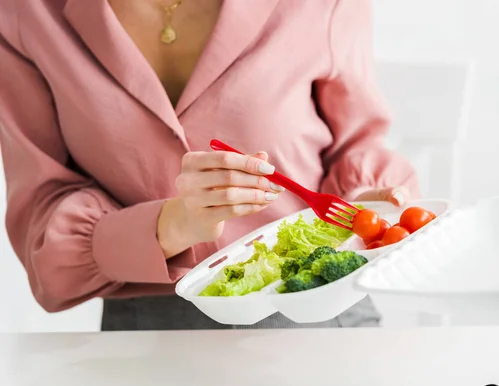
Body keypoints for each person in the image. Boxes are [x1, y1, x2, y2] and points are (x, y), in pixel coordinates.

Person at [0, 0, 419, 330]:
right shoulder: (25, 13)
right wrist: (172, 225)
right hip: (148, 337)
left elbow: (356, 144)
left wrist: (364, 205)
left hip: (316, 308)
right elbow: (43, 234)